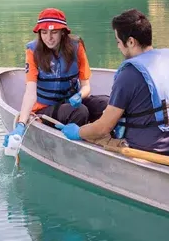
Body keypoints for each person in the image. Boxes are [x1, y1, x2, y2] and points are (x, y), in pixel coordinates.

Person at [60, 8, 169, 159]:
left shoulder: (129, 74)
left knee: (92, 133)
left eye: (118, 42)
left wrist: (78, 132)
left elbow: (104, 127)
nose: (118, 47)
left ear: (130, 42)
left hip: (149, 151)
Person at [6, 8, 108, 148]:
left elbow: (86, 87)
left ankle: (106, 137)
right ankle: (76, 147)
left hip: (72, 102)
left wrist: (79, 95)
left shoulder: (76, 47)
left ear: (63, 32)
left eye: (54, 32)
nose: (49, 38)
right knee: (80, 112)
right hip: (46, 108)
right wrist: (21, 125)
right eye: (44, 32)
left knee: (108, 104)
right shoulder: (33, 51)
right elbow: (30, 93)